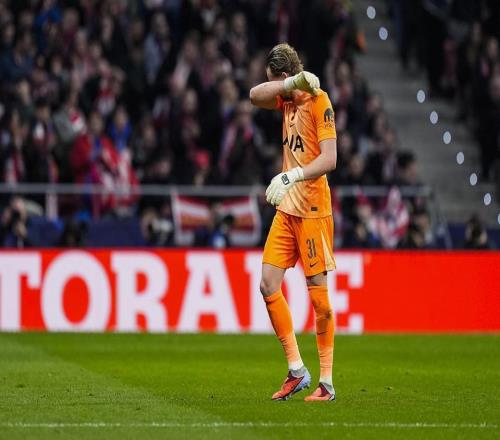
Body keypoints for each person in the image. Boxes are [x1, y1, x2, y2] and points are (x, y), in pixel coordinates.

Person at [249, 43, 337, 401]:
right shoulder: (287, 98)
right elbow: (254, 95)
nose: (275, 88)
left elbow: (330, 159)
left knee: (319, 297)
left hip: (313, 209)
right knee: (268, 284)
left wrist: (292, 175)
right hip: (287, 210)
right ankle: (297, 370)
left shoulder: (319, 101)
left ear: (285, 75)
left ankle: (326, 382)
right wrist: (288, 86)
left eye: (278, 81)